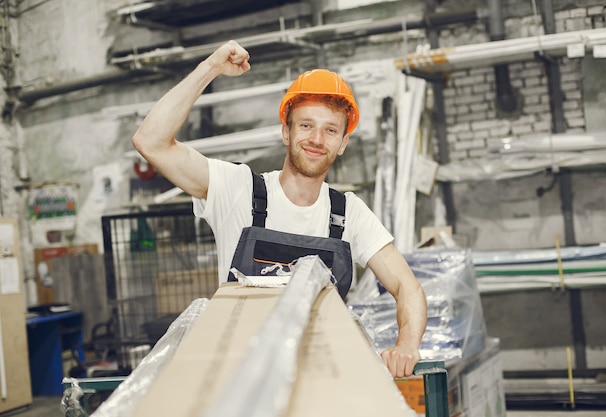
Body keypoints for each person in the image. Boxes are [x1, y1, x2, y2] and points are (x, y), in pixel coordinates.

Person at [132, 40, 427, 378]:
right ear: (285, 132)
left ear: (343, 143)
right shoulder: (238, 190)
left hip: (319, 381)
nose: (317, 139)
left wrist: (407, 344)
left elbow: (409, 288)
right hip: (239, 381)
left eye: (330, 130)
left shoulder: (348, 213)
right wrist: (211, 67)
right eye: (305, 125)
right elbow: (150, 141)